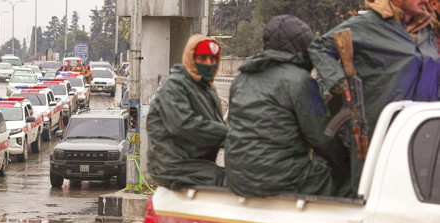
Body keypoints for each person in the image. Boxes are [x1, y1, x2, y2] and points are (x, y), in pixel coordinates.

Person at [308, 0, 440, 190]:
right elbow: (320, 47)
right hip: (377, 127)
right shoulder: (368, 24)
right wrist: (340, 82)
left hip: (420, 128)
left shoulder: (426, 28)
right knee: (369, 189)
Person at [226, 15, 348, 197]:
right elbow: (322, 139)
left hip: (237, 178)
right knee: (347, 184)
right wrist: (346, 163)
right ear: (302, 47)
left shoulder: (241, 79)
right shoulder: (301, 81)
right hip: (281, 179)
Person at [146, 35, 228, 188]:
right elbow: (184, 125)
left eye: (213, 59)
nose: (208, 63)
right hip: (173, 164)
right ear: (191, 58)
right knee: (231, 183)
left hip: (197, 162)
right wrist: (230, 135)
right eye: (202, 58)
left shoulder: (207, 89)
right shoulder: (175, 86)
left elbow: (217, 126)